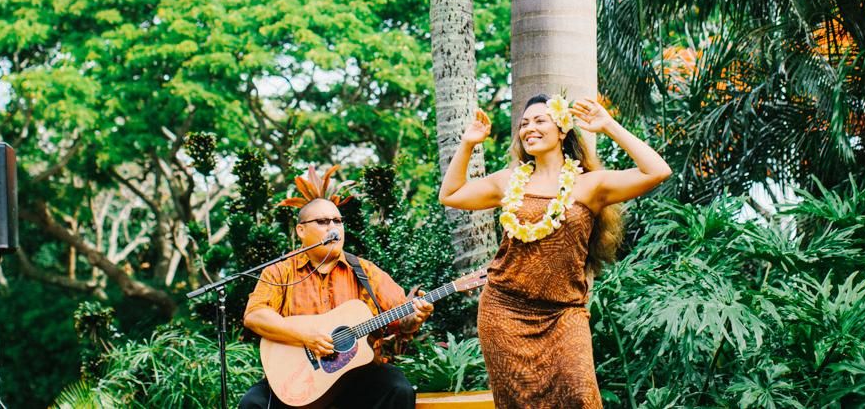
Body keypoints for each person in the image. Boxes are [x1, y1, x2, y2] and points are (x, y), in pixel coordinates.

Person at [439, 94, 671, 408]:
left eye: (539, 121)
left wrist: (608, 125)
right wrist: (467, 144)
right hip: (504, 310)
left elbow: (657, 171)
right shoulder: (509, 181)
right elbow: (451, 194)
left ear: (562, 129)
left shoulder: (591, 185)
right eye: (524, 124)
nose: (528, 129)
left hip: (564, 313)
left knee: (580, 396)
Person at [240, 197, 434, 409]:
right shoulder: (279, 272)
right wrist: (306, 336)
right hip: (299, 378)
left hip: (358, 376)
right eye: (323, 221)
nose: (333, 227)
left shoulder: (365, 271)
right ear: (301, 231)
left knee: (398, 389)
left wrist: (415, 317)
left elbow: (402, 320)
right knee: (253, 404)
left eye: (338, 221)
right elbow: (255, 315)